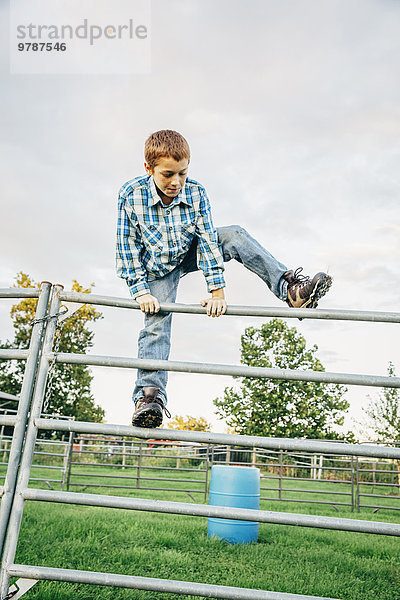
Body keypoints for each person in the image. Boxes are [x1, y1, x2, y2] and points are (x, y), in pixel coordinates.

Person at [116, 129, 332, 428]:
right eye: (167, 175)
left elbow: (206, 240)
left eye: (182, 173)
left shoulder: (196, 192)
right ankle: (149, 397)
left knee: (233, 235)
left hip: (187, 251)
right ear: (148, 169)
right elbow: (126, 246)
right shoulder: (131, 194)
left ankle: (291, 291)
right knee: (157, 321)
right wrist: (141, 291)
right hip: (154, 269)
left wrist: (216, 290)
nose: (176, 182)